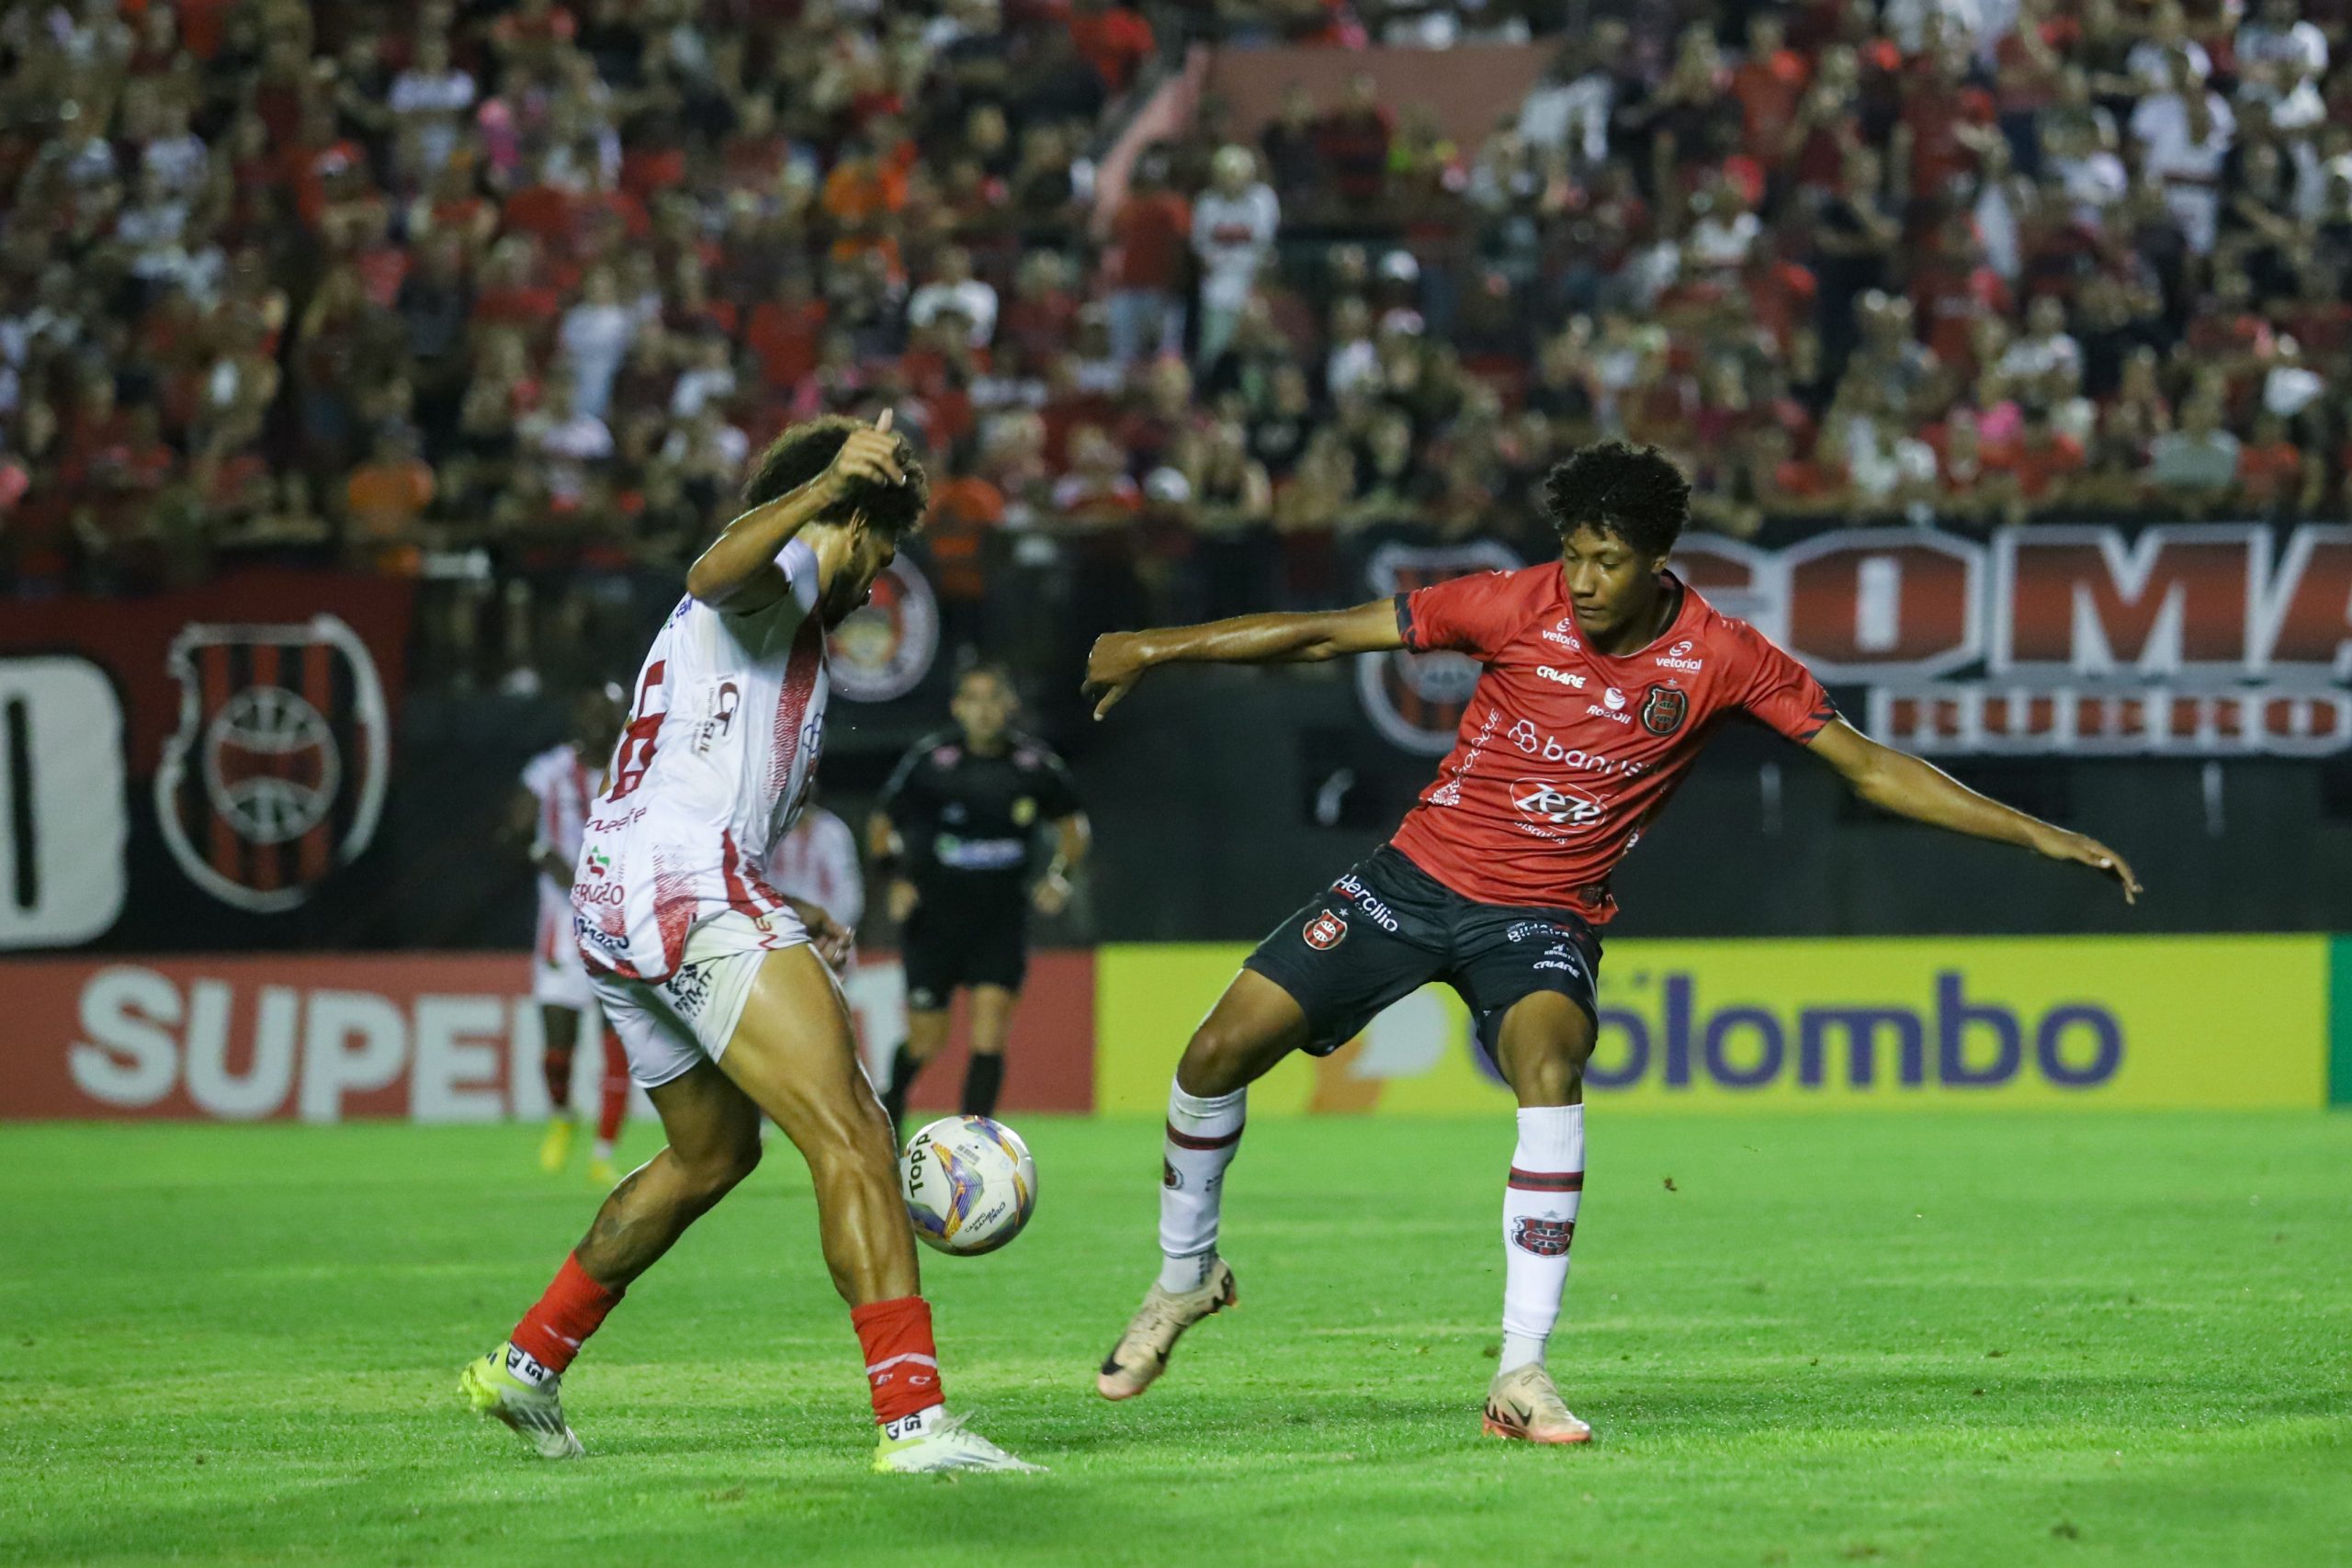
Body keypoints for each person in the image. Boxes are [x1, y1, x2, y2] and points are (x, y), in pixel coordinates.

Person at [1079, 441, 2140, 1446]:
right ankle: (1184, 1279)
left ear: (1657, 561)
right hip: (1411, 880)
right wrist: (1156, 645)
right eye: (1573, 554)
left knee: (1548, 1066)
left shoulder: (1721, 658)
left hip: (1539, 919)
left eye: (1608, 561)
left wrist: (2035, 831)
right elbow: (1320, 632)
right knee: (1214, 1054)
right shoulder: (1507, 602)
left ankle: (1520, 1371)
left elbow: (1866, 766)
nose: (1582, 580)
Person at [460, 412, 1037, 1474]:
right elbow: (715, 567)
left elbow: (700, 773)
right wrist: (827, 494)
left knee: (712, 1154)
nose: (879, 585)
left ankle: (527, 1362)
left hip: (622, 887)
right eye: (885, 552)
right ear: (852, 525)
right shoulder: (781, 575)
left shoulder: (781, 634)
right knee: (856, 1131)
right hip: (678, 882)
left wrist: (782, 904)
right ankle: (914, 1426)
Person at [868, 664, 1089, 1140]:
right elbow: (881, 826)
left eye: (994, 699)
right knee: (927, 1041)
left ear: (1011, 706)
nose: (984, 710)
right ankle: (888, 1108)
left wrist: (1061, 877)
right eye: (973, 699)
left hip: (999, 918)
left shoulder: (1033, 766)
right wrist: (897, 880)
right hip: (935, 918)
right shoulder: (931, 762)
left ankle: (972, 1142)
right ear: (957, 707)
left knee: (989, 1031)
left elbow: (1074, 829)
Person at [514, 684, 630, 1185]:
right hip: (560, 928)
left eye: (610, 714)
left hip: (620, 922)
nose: (600, 723)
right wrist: (543, 854)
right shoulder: (550, 769)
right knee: (557, 1049)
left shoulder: (639, 768)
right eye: (592, 712)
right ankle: (563, 1114)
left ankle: (604, 1152)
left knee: (617, 1041)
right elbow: (516, 825)